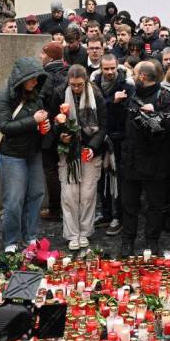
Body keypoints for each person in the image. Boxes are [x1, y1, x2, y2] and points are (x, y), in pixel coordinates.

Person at [121, 61, 170, 256]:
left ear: (142, 77)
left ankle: (152, 240)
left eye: (135, 73)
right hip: (131, 159)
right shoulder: (130, 94)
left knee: (155, 205)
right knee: (129, 204)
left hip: (156, 161)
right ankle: (127, 241)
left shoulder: (166, 97)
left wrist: (154, 114)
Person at [0, 57, 49, 253]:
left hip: (32, 153)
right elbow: (4, 126)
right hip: (12, 155)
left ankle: (30, 236)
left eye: (37, 78)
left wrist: (45, 127)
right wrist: (33, 120)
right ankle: (10, 241)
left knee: (36, 195)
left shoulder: (36, 97)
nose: (36, 82)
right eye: (32, 78)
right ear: (22, 78)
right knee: (14, 200)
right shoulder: (4, 97)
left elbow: (40, 123)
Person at [50, 65, 107, 251]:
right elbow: (52, 121)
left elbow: (104, 126)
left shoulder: (96, 95)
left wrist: (92, 147)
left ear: (86, 81)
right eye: (72, 85)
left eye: (79, 85)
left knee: (88, 194)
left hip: (90, 149)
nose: (76, 88)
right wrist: (60, 134)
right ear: (68, 82)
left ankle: (85, 231)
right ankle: (72, 234)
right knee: (69, 194)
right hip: (68, 151)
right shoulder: (59, 94)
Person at [93, 54, 135, 236]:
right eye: (106, 68)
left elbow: (128, 110)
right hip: (101, 137)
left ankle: (118, 216)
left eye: (112, 68)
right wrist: (112, 101)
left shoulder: (127, 85)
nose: (109, 72)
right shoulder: (94, 83)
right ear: (101, 68)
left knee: (117, 179)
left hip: (119, 139)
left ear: (117, 67)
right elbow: (95, 107)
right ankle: (106, 212)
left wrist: (114, 103)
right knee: (102, 178)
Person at [38, 42, 68, 221]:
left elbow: (41, 102)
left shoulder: (45, 77)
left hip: (49, 129)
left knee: (51, 169)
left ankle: (55, 210)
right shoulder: (68, 73)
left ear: (49, 56)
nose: (40, 57)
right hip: (66, 127)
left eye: (42, 54)